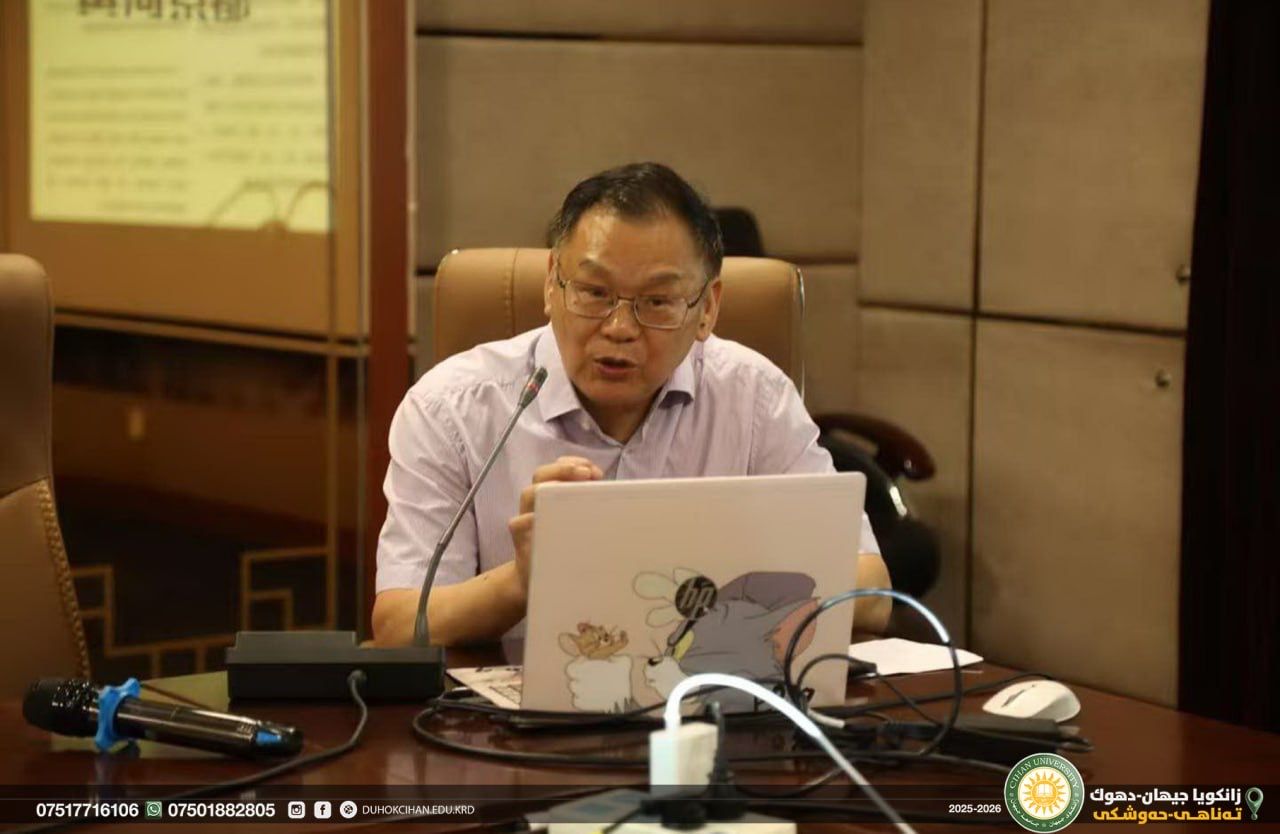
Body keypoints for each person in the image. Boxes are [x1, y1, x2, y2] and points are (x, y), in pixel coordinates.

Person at [373, 162, 891, 647]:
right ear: (552, 285)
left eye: (657, 302)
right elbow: (397, 624)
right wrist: (521, 582)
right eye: (594, 293)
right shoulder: (451, 408)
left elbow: (872, 592)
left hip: (708, 695)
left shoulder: (755, 398)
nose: (619, 328)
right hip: (506, 707)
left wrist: (720, 576)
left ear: (707, 308)